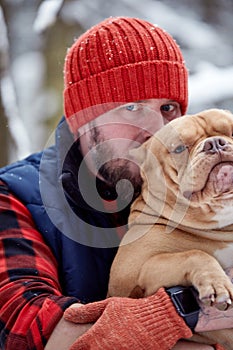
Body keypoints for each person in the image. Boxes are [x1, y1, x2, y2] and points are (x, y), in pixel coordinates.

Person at [0, 16, 231, 350]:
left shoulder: (201, 192)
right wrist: (180, 309)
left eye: (168, 108)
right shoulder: (15, 197)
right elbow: (42, 334)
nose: (156, 127)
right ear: (82, 119)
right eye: (132, 107)